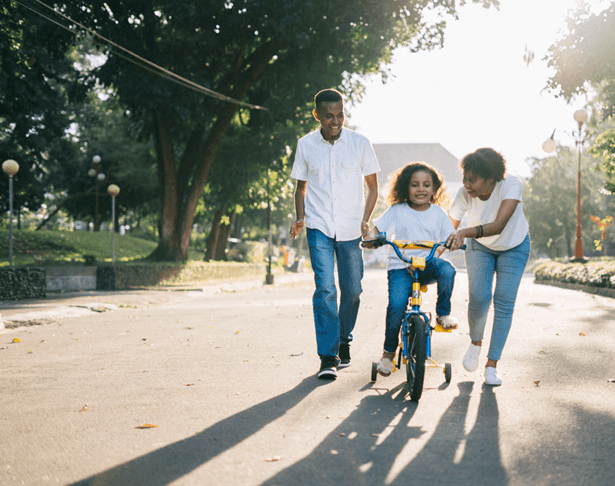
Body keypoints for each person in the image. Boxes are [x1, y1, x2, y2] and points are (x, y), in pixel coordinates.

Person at [289, 88, 380, 380]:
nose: (335, 120)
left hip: (351, 228)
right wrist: (300, 218)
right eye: (328, 116)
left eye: (340, 114)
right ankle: (328, 356)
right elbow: (300, 187)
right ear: (317, 115)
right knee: (326, 289)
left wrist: (366, 220)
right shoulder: (305, 145)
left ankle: (344, 341)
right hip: (318, 227)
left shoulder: (360, 143)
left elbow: (373, 187)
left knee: (352, 291)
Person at [446, 147, 530, 387]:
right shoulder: (465, 194)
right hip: (480, 246)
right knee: (479, 298)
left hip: (514, 245)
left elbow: (499, 225)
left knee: (504, 302)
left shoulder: (510, 185)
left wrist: (464, 232)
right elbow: (448, 228)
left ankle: (492, 365)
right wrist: (432, 252)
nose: (466, 184)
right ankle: (475, 343)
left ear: (490, 178)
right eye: (465, 178)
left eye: (472, 179)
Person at [367, 162, 458, 377]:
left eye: (427, 185)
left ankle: (443, 315)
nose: (421, 189)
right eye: (415, 185)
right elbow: (376, 230)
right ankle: (388, 355)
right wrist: (371, 238)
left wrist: (452, 242)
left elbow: (449, 237)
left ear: (434, 189)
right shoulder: (397, 210)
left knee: (448, 270)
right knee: (397, 306)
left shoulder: (438, 213)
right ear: (405, 188)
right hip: (401, 266)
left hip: (427, 264)